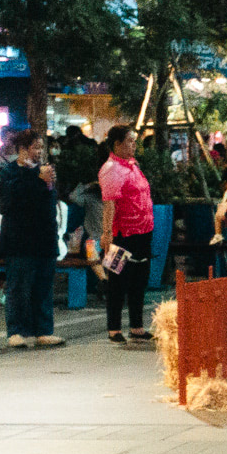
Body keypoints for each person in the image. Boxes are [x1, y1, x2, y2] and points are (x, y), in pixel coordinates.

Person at [0, 130, 63, 349]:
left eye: (41, 148)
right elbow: (10, 201)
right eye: (35, 147)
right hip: (19, 239)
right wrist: (38, 179)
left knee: (43, 285)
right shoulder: (9, 171)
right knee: (18, 287)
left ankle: (43, 330)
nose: (40, 152)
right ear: (22, 149)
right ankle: (15, 330)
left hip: (44, 237)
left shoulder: (46, 171)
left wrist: (47, 183)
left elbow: (50, 202)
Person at [95, 125, 155, 343]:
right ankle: (114, 329)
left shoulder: (132, 166)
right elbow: (109, 204)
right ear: (117, 144)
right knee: (117, 281)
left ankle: (137, 326)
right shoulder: (111, 168)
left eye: (134, 141)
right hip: (121, 234)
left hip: (142, 232)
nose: (134, 146)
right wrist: (106, 234)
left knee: (139, 279)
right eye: (129, 141)